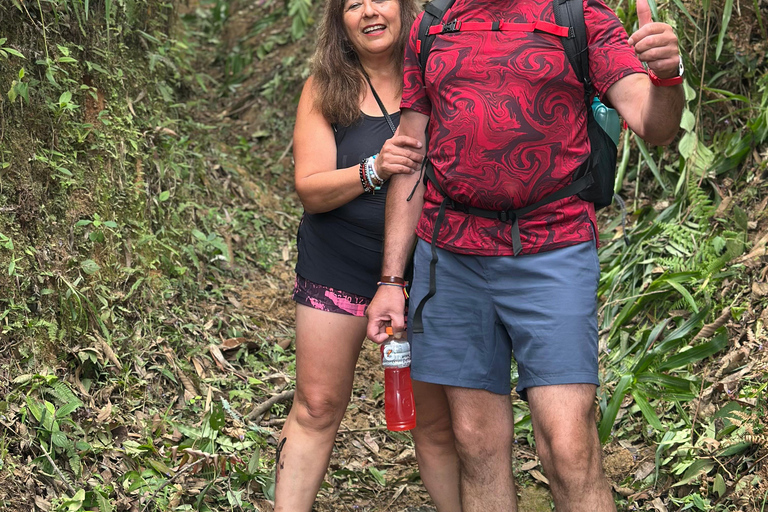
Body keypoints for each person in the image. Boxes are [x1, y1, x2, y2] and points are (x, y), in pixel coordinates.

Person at [366, 0, 684, 510]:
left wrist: (667, 77)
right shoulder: (433, 22)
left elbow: (655, 125)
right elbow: (410, 154)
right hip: (452, 255)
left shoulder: (579, 13)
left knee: (569, 448)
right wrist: (390, 279)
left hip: (553, 247)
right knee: (476, 444)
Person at [273, 0, 460, 509]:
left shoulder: (441, 73)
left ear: (405, 8)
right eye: (354, 4)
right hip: (336, 263)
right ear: (340, 21)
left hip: (425, 271)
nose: (369, 12)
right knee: (316, 406)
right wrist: (374, 168)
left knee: (434, 423)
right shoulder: (325, 88)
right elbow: (310, 189)